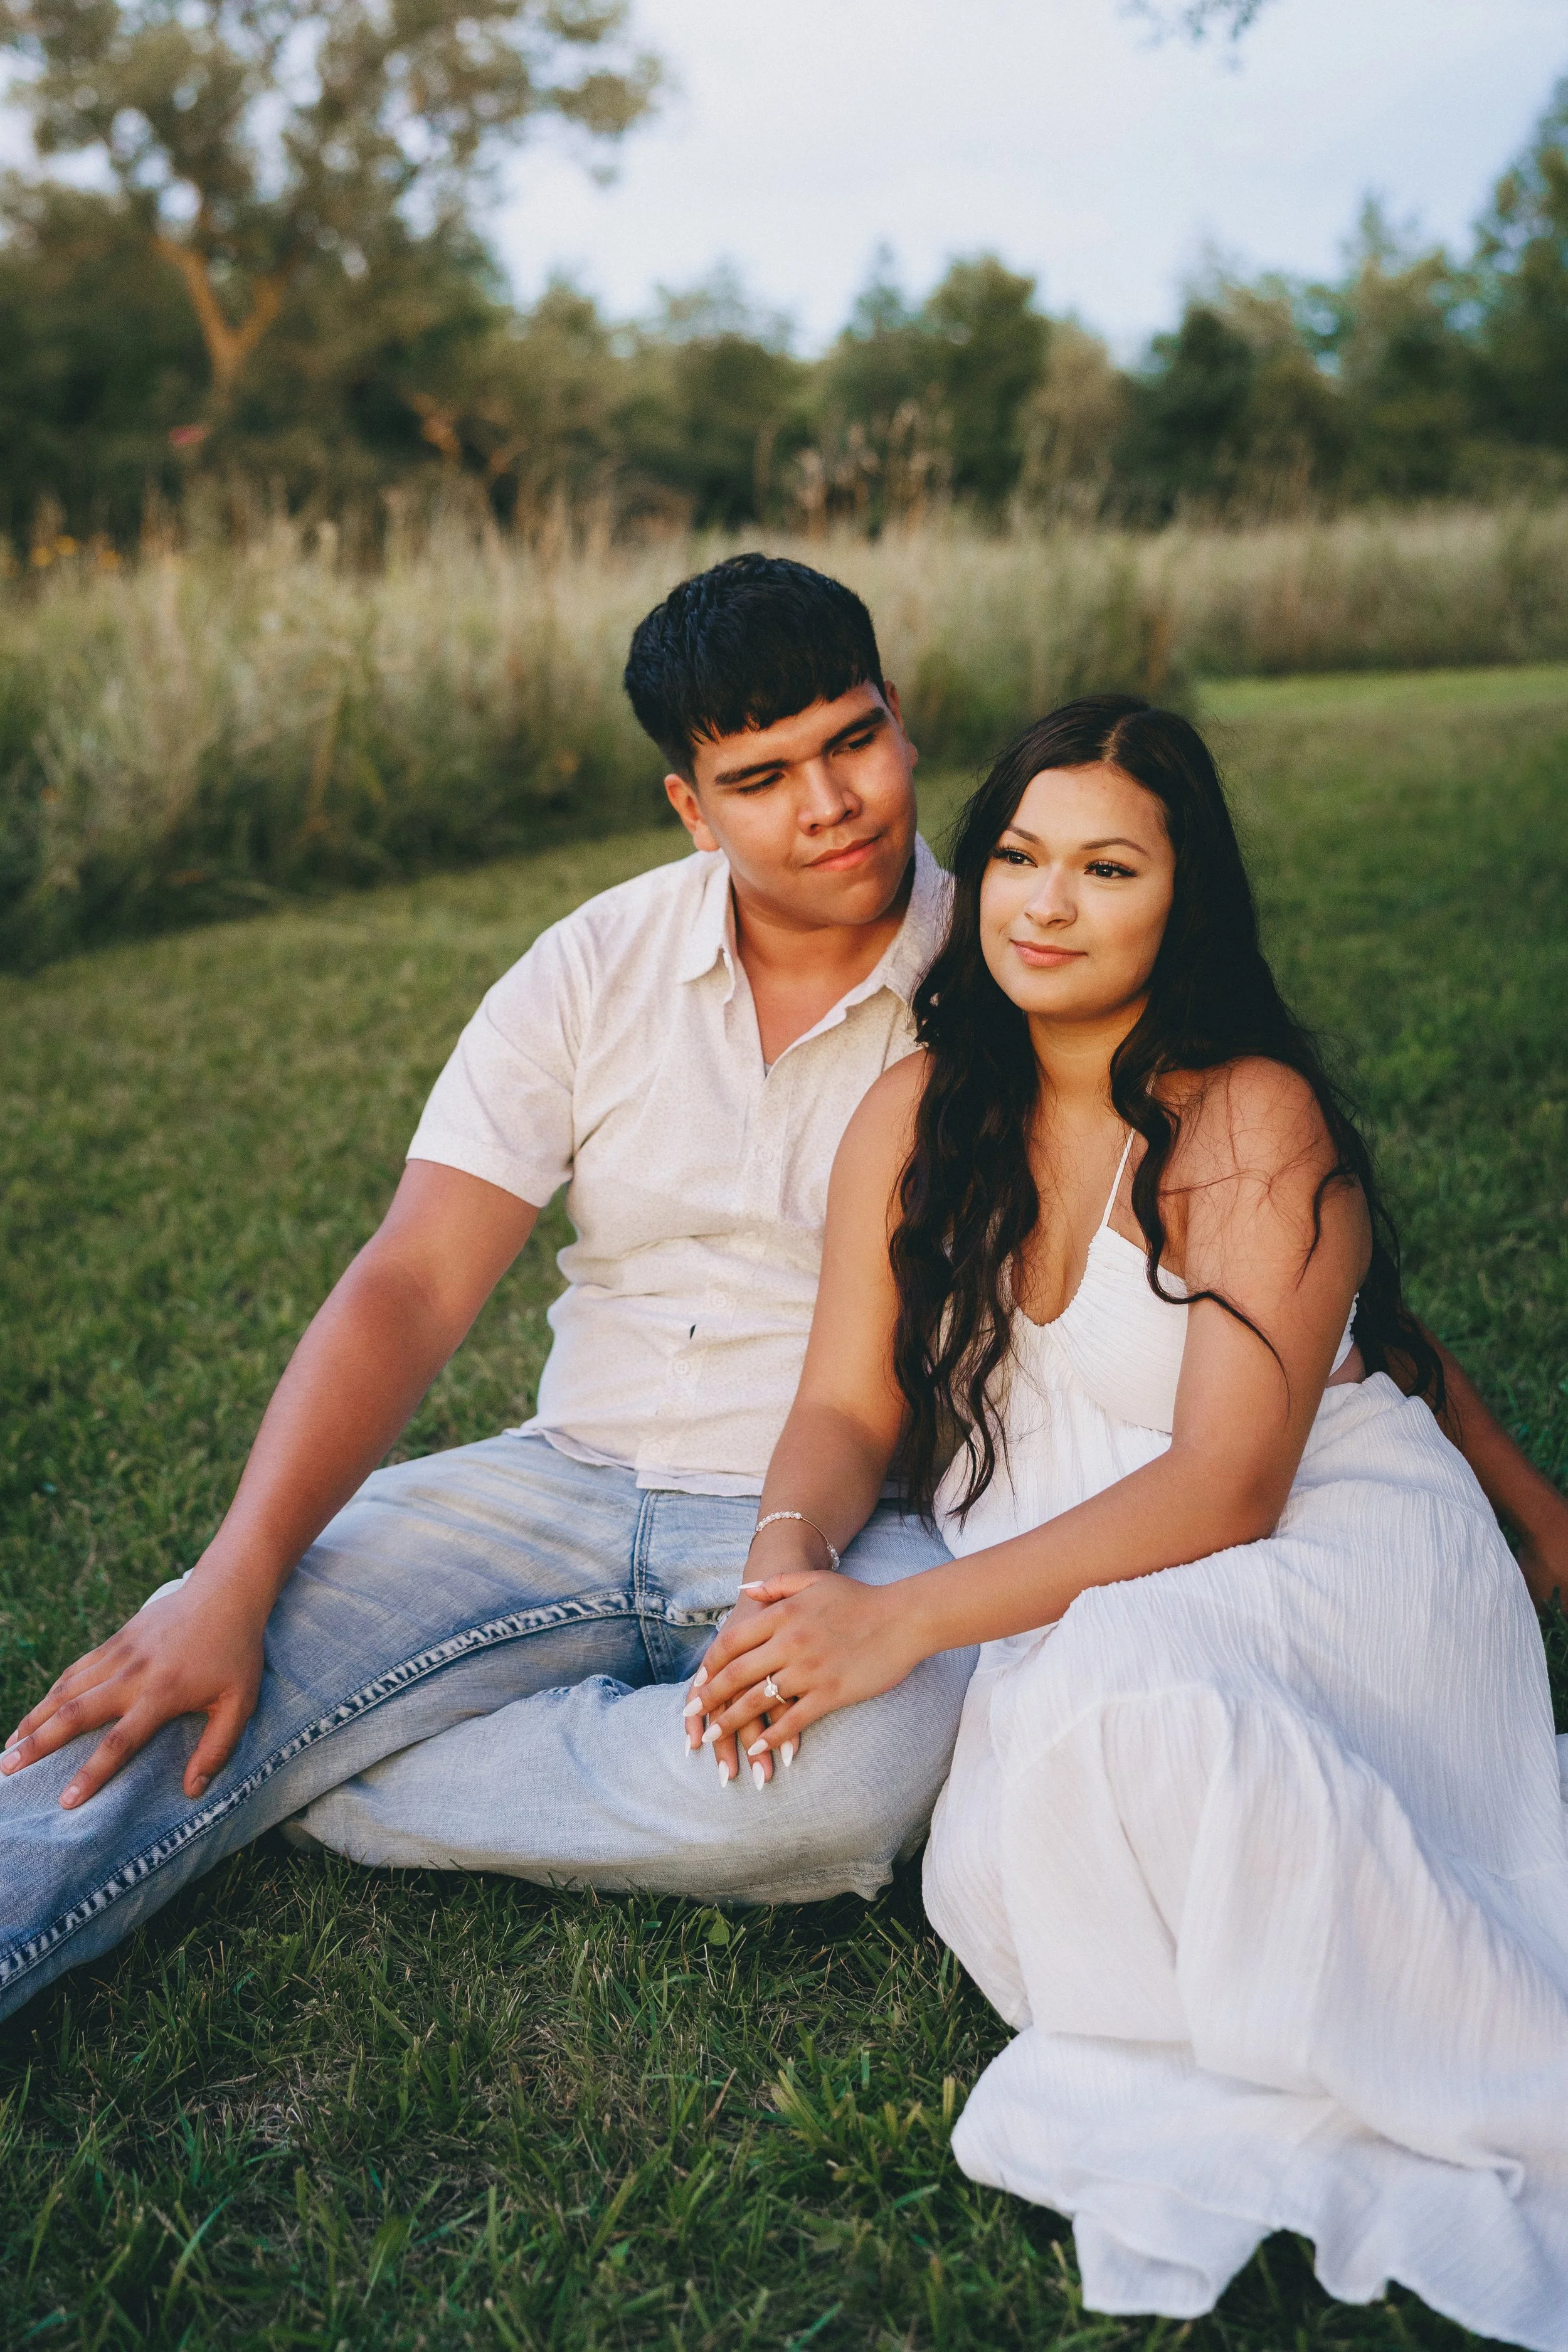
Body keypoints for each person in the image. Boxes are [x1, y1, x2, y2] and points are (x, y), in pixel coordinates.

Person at [1, 567, 1560, 2032]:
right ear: (691, 806)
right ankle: (258, 1734)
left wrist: (1518, 1497)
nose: (828, 806)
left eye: (852, 744)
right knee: (192, 1660)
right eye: (759, 779)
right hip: (565, 1469)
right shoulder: (594, 964)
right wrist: (233, 1566)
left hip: (874, 1515)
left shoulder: (1022, 954)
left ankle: (318, 1766)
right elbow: (410, 1279)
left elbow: (1295, 1294)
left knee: (861, 1778)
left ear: (898, 719)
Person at [687, 696, 1568, 2348]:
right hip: (1076, 1577)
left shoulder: (1243, 1111)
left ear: (1183, 899)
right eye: (1017, 852)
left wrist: (898, 1618)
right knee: (1009, 1849)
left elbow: (1232, 1481)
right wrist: (792, 1561)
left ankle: (1486, 2045)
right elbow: (842, 1408)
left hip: (1324, 1543)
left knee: (1140, 1705)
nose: (1041, 899)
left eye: (1105, 865)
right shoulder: (914, 1115)